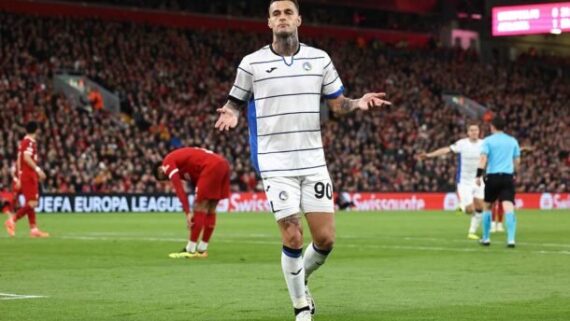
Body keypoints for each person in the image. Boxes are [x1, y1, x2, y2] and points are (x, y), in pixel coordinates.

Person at [214, 1, 391, 320]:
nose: (282, 18)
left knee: (325, 239)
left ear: (299, 19)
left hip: (313, 161)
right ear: (268, 22)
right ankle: (301, 307)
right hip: (274, 162)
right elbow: (234, 102)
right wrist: (230, 113)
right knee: (293, 234)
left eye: (287, 13)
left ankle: (299, 278)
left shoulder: (319, 58)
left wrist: (359, 103)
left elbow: (337, 105)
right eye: (276, 14)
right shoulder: (251, 63)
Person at [155, 147, 230, 258]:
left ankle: (190, 249)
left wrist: (187, 213)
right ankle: (202, 249)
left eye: (164, 177)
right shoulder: (184, 170)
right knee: (211, 207)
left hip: (211, 166)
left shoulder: (167, 162)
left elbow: (179, 188)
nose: (167, 178)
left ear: (160, 170)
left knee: (199, 207)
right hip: (223, 164)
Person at [417, 123, 484, 240]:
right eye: (471, 130)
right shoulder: (462, 144)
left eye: (476, 130)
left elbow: (499, 152)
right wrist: (429, 155)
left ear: (479, 132)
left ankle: (471, 232)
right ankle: (463, 206)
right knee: (470, 210)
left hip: (479, 180)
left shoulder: (484, 144)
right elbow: (446, 150)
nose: (474, 132)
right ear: (468, 133)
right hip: (464, 182)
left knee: (480, 207)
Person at [476, 116, 520, 248]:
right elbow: (517, 161)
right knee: (509, 207)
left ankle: (486, 238)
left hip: (492, 177)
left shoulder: (488, 141)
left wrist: (478, 175)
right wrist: (515, 173)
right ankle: (511, 239)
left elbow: (483, 158)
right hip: (507, 177)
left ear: (493, 127)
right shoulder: (512, 141)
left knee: (487, 206)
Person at [4, 121, 49, 238]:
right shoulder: (29, 142)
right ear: (37, 130)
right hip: (29, 175)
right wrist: (38, 170)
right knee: (33, 203)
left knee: (31, 204)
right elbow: (26, 157)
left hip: (26, 175)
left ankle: (34, 229)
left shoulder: (24, 141)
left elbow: (19, 159)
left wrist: (19, 175)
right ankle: (12, 220)